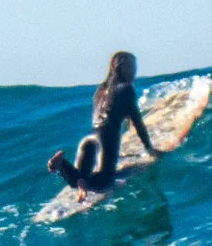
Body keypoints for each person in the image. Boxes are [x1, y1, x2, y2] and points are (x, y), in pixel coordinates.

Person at [48, 51, 159, 193]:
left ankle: (62, 164)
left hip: (89, 137)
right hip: (106, 138)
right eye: (132, 68)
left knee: (77, 180)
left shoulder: (100, 89)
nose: (134, 72)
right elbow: (137, 122)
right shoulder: (126, 89)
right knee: (105, 180)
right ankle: (84, 182)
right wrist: (150, 149)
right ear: (122, 67)